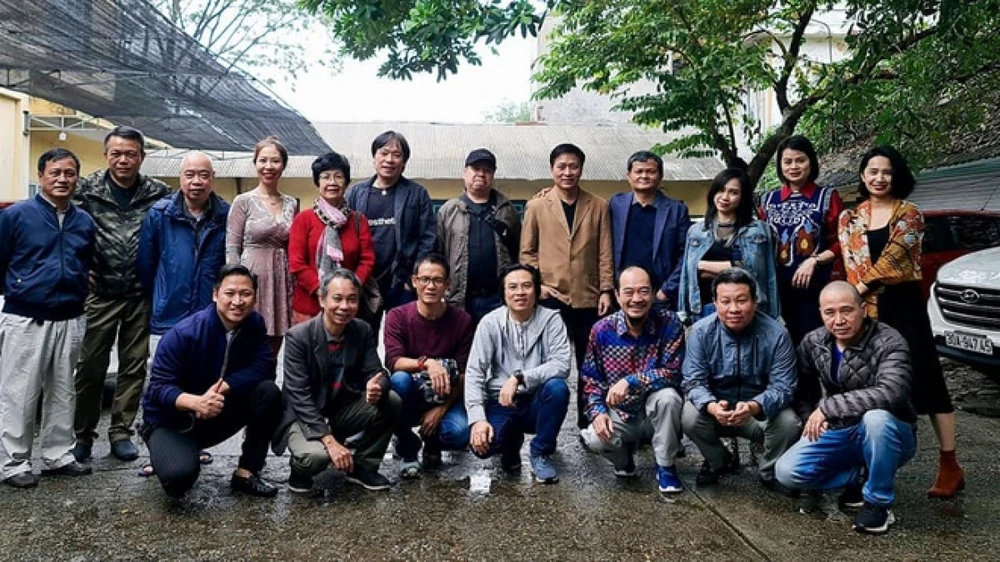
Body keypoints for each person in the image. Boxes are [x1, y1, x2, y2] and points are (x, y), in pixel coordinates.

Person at [838, 145, 963, 499]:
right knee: (869, 383)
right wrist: (855, 305)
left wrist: (855, 292)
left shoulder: (910, 213)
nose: (879, 178)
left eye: (887, 172)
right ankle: (868, 462)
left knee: (928, 381)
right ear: (862, 175)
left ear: (897, 176)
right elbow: (850, 264)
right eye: (872, 171)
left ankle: (950, 464)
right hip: (866, 312)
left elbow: (893, 261)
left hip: (904, 307)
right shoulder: (849, 218)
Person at [776, 282, 917, 534]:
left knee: (876, 419)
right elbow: (803, 389)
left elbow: (892, 392)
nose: (839, 320)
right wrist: (811, 419)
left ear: (863, 309)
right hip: (843, 428)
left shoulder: (889, 341)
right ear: (821, 313)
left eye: (847, 310)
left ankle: (878, 503)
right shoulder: (814, 341)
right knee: (787, 472)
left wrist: (828, 407)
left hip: (892, 431)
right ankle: (859, 475)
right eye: (830, 313)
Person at [72, 125, 170, 464]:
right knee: (90, 367)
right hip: (99, 294)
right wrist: (78, 268)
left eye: (130, 154)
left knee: (133, 367)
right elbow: (63, 228)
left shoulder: (159, 193)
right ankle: (82, 434)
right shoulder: (86, 190)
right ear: (106, 155)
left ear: (142, 156)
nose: (123, 160)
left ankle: (121, 432)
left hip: (140, 295)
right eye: (116, 153)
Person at [141, 264, 282, 498]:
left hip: (217, 411)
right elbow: (157, 389)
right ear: (215, 294)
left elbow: (264, 366)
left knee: (268, 392)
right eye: (230, 293)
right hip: (174, 421)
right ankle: (168, 452)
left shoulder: (254, 324)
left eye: (245, 294)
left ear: (255, 297)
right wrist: (195, 402)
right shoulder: (184, 334)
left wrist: (225, 386)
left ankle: (247, 472)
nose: (238, 301)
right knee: (178, 479)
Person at [0, 149, 96, 488]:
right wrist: (20, 288)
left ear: (77, 178)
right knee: (20, 392)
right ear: (41, 176)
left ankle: (58, 455)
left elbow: (87, 262)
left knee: (63, 390)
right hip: (27, 317)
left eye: (69, 173)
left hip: (70, 316)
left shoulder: (84, 221)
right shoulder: (17, 215)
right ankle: (14, 463)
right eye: (55, 172)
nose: (62, 179)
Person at [277, 268, 401, 494]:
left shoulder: (361, 330)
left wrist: (377, 386)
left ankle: (363, 466)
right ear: (322, 300)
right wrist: (330, 442)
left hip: (340, 410)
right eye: (337, 298)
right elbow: (299, 396)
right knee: (315, 458)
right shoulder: (298, 336)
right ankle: (299, 469)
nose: (344, 306)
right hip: (304, 416)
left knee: (391, 400)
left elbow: (377, 371)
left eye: (352, 299)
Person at [521, 143, 614, 430]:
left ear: (581, 169)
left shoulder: (598, 205)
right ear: (552, 169)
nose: (567, 172)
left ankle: (589, 421)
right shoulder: (537, 206)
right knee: (549, 363)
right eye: (561, 166)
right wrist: (537, 285)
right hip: (551, 295)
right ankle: (545, 424)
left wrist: (606, 288)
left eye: (573, 166)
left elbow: (605, 251)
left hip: (589, 296)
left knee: (590, 362)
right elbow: (527, 252)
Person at [681, 268, 800, 490]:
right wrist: (712, 406)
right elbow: (693, 381)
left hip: (757, 414)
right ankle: (718, 460)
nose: (734, 309)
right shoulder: (700, 332)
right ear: (715, 303)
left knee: (789, 423)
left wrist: (754, 406)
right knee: (689, 415)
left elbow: (784, 386)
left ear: (755, 301)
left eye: (742, 300)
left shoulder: (777, 334)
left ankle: (769, 471)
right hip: (718, 412)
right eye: (725, 301)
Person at [580, 266, 686, 494]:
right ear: (617, 296)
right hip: (621, 412)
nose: (636, 299)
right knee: (595, 438)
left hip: (655, 412)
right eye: (628, 292)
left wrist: (632, 381)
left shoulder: (669, 323)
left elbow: (674, 373)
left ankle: (666, 466)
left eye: (643, 291)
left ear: (653, 293)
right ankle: (623, 460)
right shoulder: (601, 330)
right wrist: (598, 412)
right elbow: (591, 380)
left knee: (669, 397)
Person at [466, 263, 571, 484]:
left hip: (537, 400)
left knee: (558, 387)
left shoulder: (551, 319)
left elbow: (562, 364)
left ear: (537, 290)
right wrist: (477, 420)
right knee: (484, 447)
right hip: (501, 401)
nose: (520, 292)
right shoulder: (490, 323)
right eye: (512, 287)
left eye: (526, 286)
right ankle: (510, 445)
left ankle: (540, 452)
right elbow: (475, 372)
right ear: (503, 293)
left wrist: (520, 377)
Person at [385, 255, 474, 477]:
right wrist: (428, 364)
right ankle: (407, 446)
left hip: (446, 395)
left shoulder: (462, 320)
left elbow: (464, 373)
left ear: (447, 284)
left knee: (459, 434)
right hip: (412, 392)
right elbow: (394, 361)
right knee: (398, 380)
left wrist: (441, 410)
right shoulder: (397, 316)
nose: (431, 286)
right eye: (424, 279)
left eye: (437, 280)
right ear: (414, 281)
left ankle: (432, 440)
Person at [138, 151, 230, 356]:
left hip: (210, 317)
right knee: (165, 372)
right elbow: (146, 265)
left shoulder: (226, 216)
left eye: (203, 175)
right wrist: (161, 298)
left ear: (213, 177)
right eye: (190, 175)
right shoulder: (160, 214)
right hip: (168, 317)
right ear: (180, 177)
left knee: (208, 373)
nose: (196, 181)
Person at [345, 130, 437, 333]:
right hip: (366, 280)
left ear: (404, 162)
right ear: (374, 157)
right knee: (361, 335)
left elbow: (428, 238)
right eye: (384, 153)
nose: (389, 159)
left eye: (396, 155)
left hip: (402, 280)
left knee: (404, 336)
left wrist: (413, 277)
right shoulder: (356, 193)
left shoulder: (417, 193)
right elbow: (345, 235)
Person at [759, 135, 844, 344]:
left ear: (811, 162)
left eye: (800, 160)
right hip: (776, 291)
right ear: (780, 165)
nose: (794, 167)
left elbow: (843, 242)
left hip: (815, 289)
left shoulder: (827, 197)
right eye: (787, 161)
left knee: (814, 345)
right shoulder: (767, 200)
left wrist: (815, 260)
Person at [226, 136, 299, 358]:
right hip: (252, 278)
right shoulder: (243, 202)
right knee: (246, 343)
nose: (269, 166)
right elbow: (232, 248)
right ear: (255, 163)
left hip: (281, 280)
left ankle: (268, 380)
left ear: (283, 165)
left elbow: (294, 246)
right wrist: (236, 284)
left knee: (272, 349)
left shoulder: (291, 203)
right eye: (263, 160)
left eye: (275, 161)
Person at [679, 168, 779, 323]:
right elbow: (688, 274)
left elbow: (757, 273)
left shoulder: (758, 231)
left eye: (733, 192)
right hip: (704, 309)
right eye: (721, 190)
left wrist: (702, 266)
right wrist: (734, 266)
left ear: (743, 197)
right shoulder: (696, 231)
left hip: (748, 310)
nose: (725, 197)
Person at [288, 151, 375, 325]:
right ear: (317, 182)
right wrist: (323, 291)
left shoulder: (358, 221)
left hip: (347, 306)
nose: (332, 182)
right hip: (309, 307)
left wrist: (349, 289)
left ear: (346, 182)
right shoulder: (303, 219)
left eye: (338, 176)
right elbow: (297, 263)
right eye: (325, 177)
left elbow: (367, 260)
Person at [437, 148, 521, 323]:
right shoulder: (449, 210)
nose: (481, 174)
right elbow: (438, 253)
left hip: (498, 298)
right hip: (460, 298)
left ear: (493, 175)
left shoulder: (506, 210)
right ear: (465, 173)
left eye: (487, 170)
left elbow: (518, 249)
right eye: (476, 169)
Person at [608, 151, 691, 311]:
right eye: (639, 171)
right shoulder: (615, 204)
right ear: (628, 176)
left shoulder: (677, 210)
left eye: (651, 171)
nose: (644, 176)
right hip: (622, 294)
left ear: (660, 176)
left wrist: (666, 291)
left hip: (659, 294)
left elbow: (686, 254)